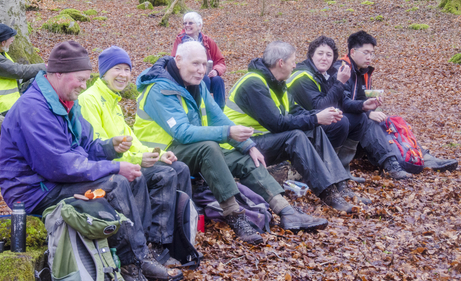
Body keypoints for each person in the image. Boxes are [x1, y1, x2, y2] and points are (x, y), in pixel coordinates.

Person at [0, 41, 182, 281]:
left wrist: (108, 148)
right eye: (81, 79)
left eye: (87, 79)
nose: (84, 86)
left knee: (134, 177)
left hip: (55, 179)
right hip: (34, 191)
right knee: (116, 183)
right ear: (59, 74)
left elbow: (85, 146)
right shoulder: (34, 109)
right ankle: (130, 266)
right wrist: (114, 167)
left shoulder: (65, 102)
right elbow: (62, 166)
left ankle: (142, 253)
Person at [134, 41, 328, 245]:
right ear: (179, 61)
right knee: (209, 147)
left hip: (190, 149)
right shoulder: (159, 90)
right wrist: (228, 133)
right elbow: (182, 133)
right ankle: (235, 216)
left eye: (204, 65)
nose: (201, 71)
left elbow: (218, 117)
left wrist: (248, 145)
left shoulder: (195, 84)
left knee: (245, 158)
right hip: (161, 154)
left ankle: (286, 210)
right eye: (195, 64)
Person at [224, 41, 371, 213]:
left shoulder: (278, 83)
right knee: (295, 136)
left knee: (314, 128)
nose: (295, 65)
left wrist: (320, 117)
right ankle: (329, 194)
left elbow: (296, 111)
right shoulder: (254, 83)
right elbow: (277, 124)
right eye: (292, 61)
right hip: (240, 146)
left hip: (261, 142)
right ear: (281, 63)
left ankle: (340, 185)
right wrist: (316, 117)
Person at [78, 46, 192, 266]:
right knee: (164, 176)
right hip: (108, 170)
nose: (123, 75)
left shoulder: (113, 101)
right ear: (103, 72)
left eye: (127, 69)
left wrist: (156, 155)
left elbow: (131, 140)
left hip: (124, 162)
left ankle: (179, 241)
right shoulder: (89, 100)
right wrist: (138, 161)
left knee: (179, 168)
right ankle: (156, 245)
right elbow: (100, 150)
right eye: (117, 69)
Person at [331, 31, 458, 173]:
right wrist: (367, 114)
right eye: (366, 52)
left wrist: (373, 105)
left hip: (357, 124)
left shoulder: (364, 71)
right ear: (353, 52)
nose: (369, 57)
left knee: (390, 121)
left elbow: (362, 101)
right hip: (340, 129)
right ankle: (391, 164)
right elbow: (340, 104)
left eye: (372, 53)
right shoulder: (341, 69)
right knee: (368, 121)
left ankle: (421, 156)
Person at [287, 35, 411, 180]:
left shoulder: (327, 73)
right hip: (301, 124)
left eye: (329, 55)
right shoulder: (302, 76)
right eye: (320, 54)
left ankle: (342, 170)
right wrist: (339, 83)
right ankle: (327, 171)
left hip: (319, 121)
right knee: (341, 122)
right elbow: (320, 107)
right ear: (311, 55)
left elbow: (343, 101)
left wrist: (364, 105)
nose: (324, 58)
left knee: (359, 119)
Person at [0, 23, 46, 116]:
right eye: (10, 38)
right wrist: (47, 67)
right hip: (0, 105)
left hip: (8, 101)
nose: (12, 40)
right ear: (3, 42)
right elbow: (18, 71)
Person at [171, 12, 227, 109]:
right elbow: (174, 61)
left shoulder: (208, 41)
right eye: (185, 23)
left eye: (190, 23)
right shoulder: (180, 40)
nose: (187, 25)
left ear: (199, 26)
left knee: (218, 80)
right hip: (189, 75)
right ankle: (203, 109)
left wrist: (216, 71)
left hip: (207, 73)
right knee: (204, 80)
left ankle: (220, 110)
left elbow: (220, 61)